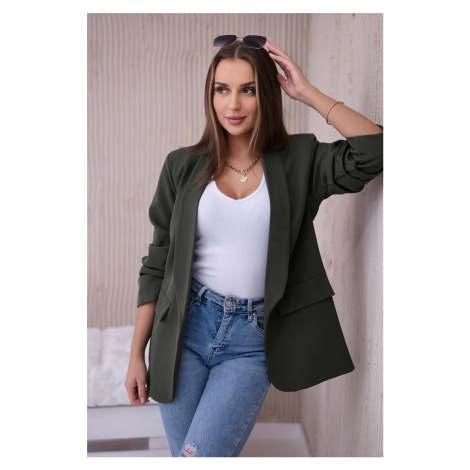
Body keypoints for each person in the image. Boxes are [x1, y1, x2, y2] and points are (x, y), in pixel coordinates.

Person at [124, 36, 383, 457]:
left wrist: (306, 92)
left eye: (248, 89)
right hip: (185, 329)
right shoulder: (182, 165)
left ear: (267, 94)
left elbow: (373, 150)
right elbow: (157, 262)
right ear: (210, 95)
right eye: (222, 89)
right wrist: (137, 353)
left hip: (253, 340)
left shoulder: (299, 159)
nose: (233, 104)